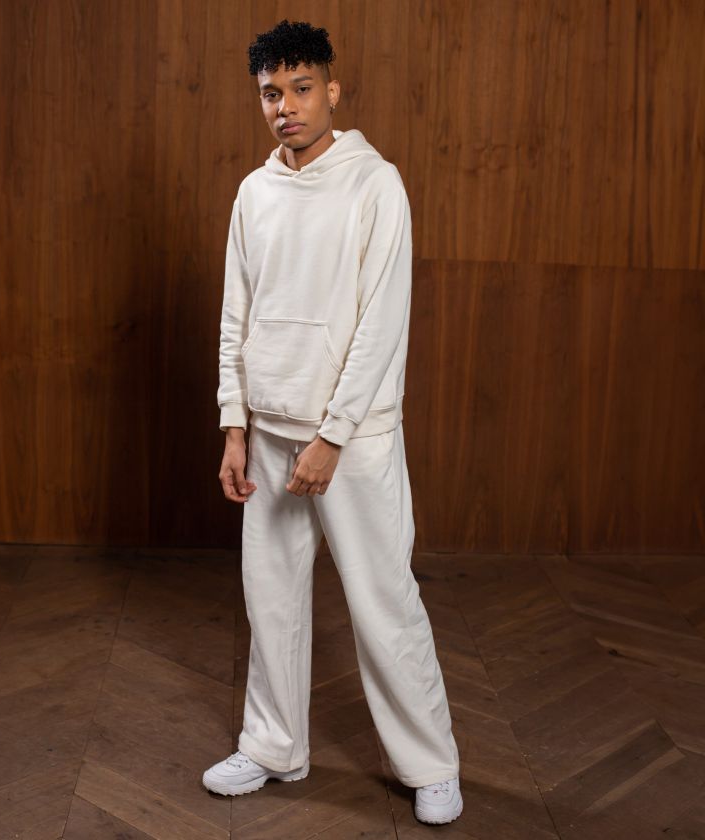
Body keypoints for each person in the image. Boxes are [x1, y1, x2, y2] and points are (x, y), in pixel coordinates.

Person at [203, 18, 462, 825]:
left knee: (385, 604)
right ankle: (273, 746)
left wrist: (333, 437)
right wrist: (235, 426)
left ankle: (431, 765)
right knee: (272, 601)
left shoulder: (375, 185)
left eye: (301, 88)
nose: (285, 106)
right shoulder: (254, 193)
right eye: (270, 93)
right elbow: (236, 316)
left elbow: (382, 326)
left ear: (332, 91)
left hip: (353, 442)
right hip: (269, 431)